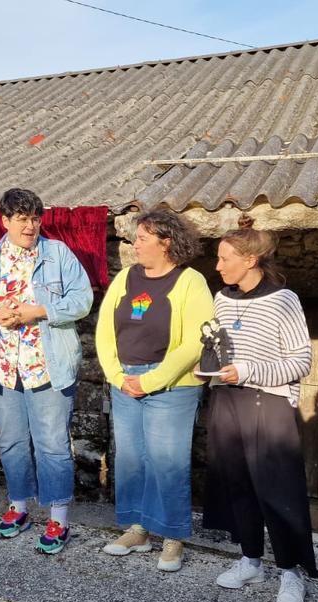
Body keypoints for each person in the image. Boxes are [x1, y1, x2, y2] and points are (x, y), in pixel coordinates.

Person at [0, 187, 93, 555]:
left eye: (35, 218)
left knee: (53, 445)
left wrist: (40, 311)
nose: (30, 226)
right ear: (5, 221)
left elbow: (82, 299)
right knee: (12, 442)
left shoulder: (58, 254)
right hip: (3, 368)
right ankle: (19, 506)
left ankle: (58, 516)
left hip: (47, 366)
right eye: (22, 219)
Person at [200, 223, 318, 602]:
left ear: (250, 260)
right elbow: (218, 348)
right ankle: (250, 559)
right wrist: (209, 369)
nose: (217, 266)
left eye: (224, 258)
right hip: (227, 402)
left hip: (268, 403)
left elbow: (301, 360)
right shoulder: (222, 298)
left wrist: (248, 370)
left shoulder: (284, 300)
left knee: (277, 490)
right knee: (237, 484)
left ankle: (290, 571)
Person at [95, 208, 212, 572]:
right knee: (131, 458)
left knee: (168, 462)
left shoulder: (190, 281)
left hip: (171, 386)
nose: (135, 244)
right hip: (125, 380)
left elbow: (196, 340)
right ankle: (139, 529)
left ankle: (173, 536)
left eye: (143, 238)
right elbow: (104, 328)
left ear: (166, 242)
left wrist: (150, 381)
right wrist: (117, 375)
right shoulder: (127, 277)